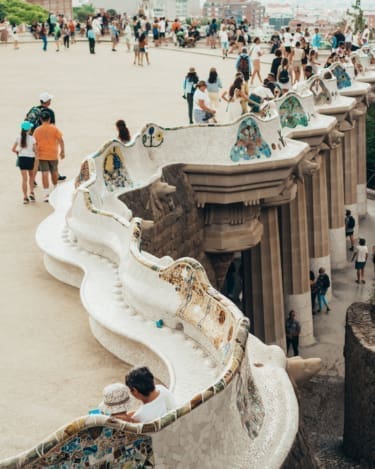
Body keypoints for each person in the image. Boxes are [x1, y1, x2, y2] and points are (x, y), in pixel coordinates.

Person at [33, 112, 65, 202]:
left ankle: (46, 194)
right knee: (54, 172)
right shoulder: (54, 129)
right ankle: (55, 189)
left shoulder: (37, 130)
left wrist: (35, 154)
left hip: (42, 155)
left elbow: (34, 143)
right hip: (53, 154)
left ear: (40, 119)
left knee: (44, 173)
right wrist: (62, 151)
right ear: (49, 119)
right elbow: (61, 140)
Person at [11, 121, 37, 204]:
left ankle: (25, 197)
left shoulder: (18, 138)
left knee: (24, 179)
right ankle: (31, 193)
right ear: (29, 129)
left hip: (22, 159)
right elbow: (35, 151)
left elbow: (13, 149)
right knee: (31, 177)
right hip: (30, 159)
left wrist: (18, 152)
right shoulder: (32, 138)